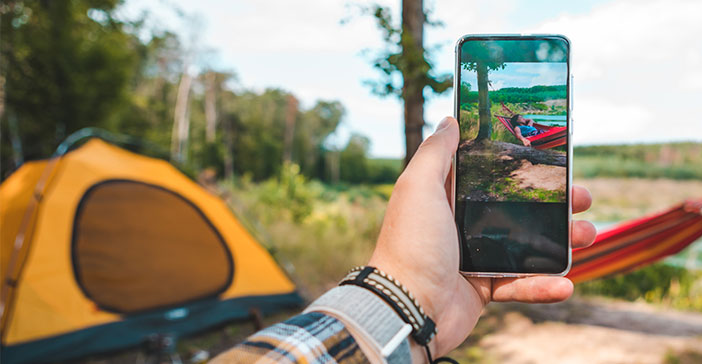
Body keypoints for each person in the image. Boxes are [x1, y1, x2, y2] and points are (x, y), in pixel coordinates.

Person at [212, 116, 596, 364]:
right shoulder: (522, 131)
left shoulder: (530, 123)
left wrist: (408, 304)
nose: (527, 121)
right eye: (523, 121)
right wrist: (414, 300)